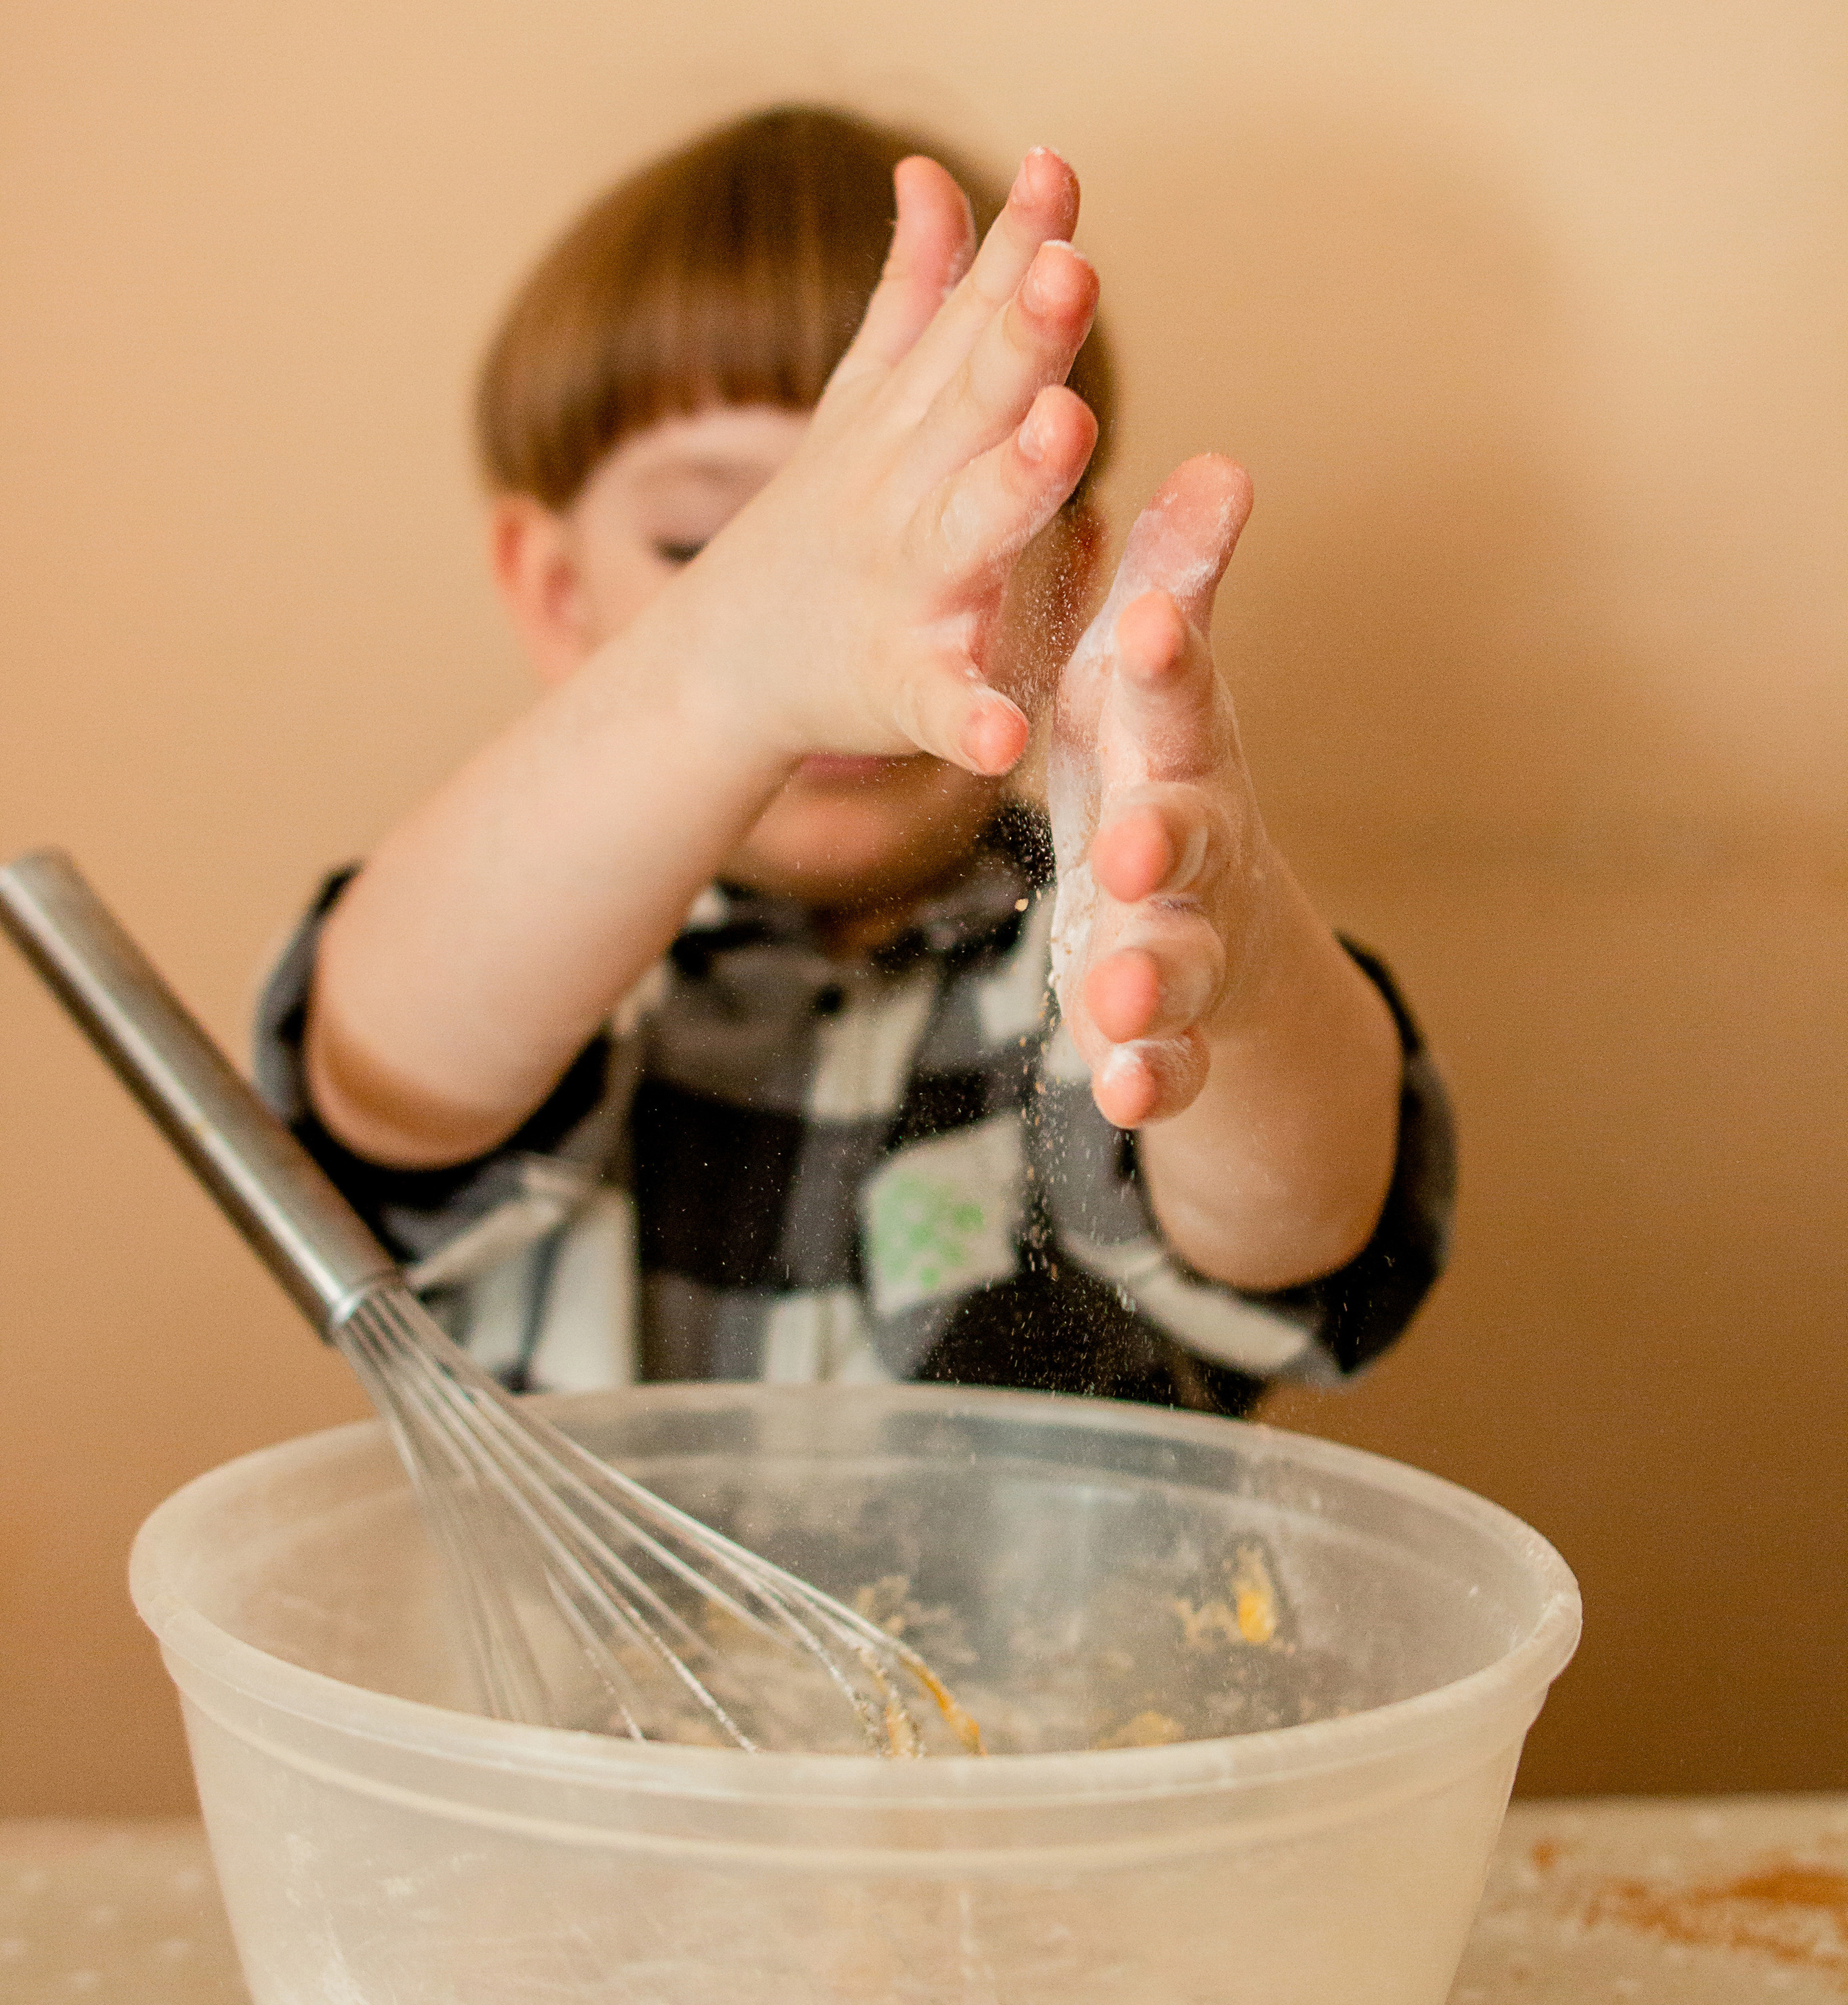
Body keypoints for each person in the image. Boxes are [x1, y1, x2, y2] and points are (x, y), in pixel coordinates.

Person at [256, 106, 1453, 1412]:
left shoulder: (1084, 943)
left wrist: (1249, 972)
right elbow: (379, 1082)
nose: (840, 632)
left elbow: (1300, 1240)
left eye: (948, 541)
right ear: (556, 593)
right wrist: (725, 676)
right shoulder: (539, 941)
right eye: (712, 547)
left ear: (1074, 588)